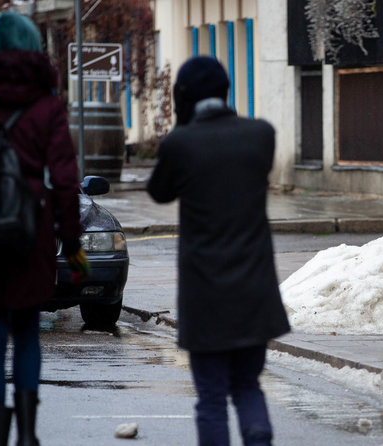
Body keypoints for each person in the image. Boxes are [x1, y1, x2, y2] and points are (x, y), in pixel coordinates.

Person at [0, 11, 89, 446]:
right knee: (26, 333)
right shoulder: (46, 104)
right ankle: (26, 435)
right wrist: (72, 242)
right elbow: (64, 179)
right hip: (31, 235)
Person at [148, 56, 290, 446]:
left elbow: (159, 191)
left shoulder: (181, 143)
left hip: (205, 294)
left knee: (211, 397)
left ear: (184, 98)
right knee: (248, 385)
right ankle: (258, 437)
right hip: (253, 290)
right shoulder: (260, 134)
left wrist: (181, 125)